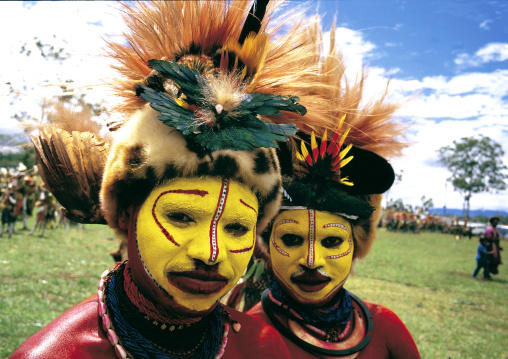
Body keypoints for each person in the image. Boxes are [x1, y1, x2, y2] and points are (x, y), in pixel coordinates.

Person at [11, 1, 331, 358]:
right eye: (181, 216)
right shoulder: (57, 354)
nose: (211, 253)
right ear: (125, 215)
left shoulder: (263, 347)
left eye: (238, 228)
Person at [246, 23, 420, 358]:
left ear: (358, 244)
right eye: (292, 239)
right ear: (265, 243)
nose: (312, 261)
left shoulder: (386, 327)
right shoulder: (249, 338)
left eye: (332, 241)